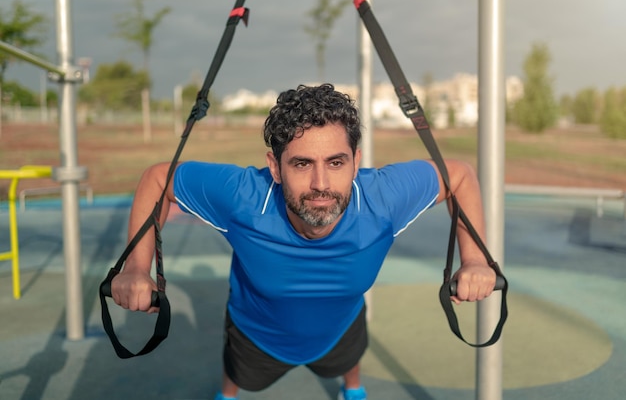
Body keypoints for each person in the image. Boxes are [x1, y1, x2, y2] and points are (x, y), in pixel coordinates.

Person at [111, 83, 496, 400]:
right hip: (257, 333)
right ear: (275, 167)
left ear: (355, 161)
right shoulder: (245, 198)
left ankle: (353, 389)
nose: (321, 184)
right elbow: (159, 179)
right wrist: (138, 268)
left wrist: (476, 259)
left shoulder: (383, 199)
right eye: (301, 164)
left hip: (342, 324)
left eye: (335, 162)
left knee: (349, 355)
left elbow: (459, 176)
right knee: (236, 377)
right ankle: (227, 395)